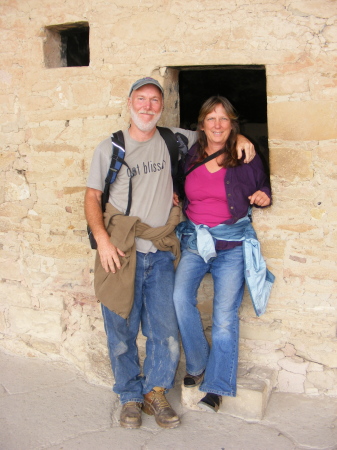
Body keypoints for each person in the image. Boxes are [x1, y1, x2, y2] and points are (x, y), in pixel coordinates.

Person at [84, 79, 256, 429]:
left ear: (162, 107)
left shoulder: (173, 139)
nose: (147, 107)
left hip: (161, 250)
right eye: (141, 99)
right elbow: (91, 197)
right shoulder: (110, 147)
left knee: (165, 331)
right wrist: (102, 240)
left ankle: (156, 390)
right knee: (121, 328)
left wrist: (242, 138)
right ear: (130, 103)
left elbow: (216, 133)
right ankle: (130, 395)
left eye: (154, 101)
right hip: (121, 248)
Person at [173, 96, 274, 413]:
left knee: (224, 319)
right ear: (201, 124)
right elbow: (180, 179)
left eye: (224, 119)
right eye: (211, 118)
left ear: (233, 123)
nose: (217, 124)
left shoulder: (245, 153)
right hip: (196, 240)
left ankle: (216, 387)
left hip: (231, 244)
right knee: (179, 297)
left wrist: (263, 195)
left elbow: (264, 186)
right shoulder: (190, 153)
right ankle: (199, 360)